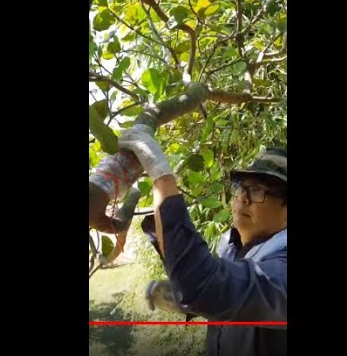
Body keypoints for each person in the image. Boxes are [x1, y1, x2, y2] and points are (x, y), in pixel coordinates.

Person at [118, 124, 287, 356]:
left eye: (257, 191)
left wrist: (161, 176)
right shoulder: (232, 245)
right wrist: (187, 301)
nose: (242, 199)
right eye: (240, 188)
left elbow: (208, 283)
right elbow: (226, 293)